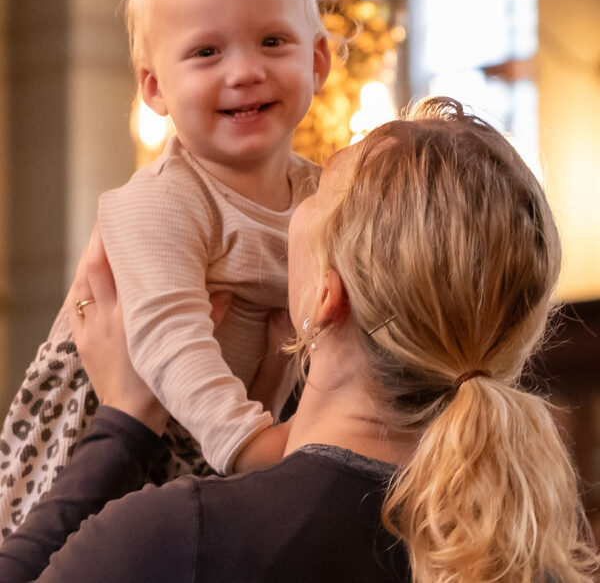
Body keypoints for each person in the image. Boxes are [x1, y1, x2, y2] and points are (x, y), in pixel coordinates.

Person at [1, 97, 598, 582]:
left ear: (324, 298)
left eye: (313, 194)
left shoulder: (178, 539)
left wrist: (123, 426)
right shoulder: (530, 547)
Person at [0, 0, 331, 536]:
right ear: (154, 87)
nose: (244, 72)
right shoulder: (164, 199)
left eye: (273, 42)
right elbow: (168, 337)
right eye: (207, 52)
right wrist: (251, 440)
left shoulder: (329, 195)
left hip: (218, 444)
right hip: (101, 438)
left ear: (318, 60)